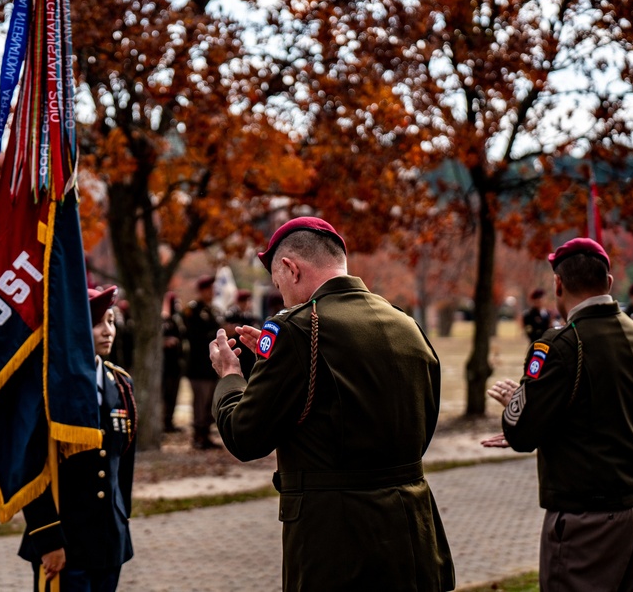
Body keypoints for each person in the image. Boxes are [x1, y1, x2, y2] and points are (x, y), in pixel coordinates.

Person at [208, 217, 455, 592]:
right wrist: (277, 362)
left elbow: (244, 436)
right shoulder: (405, 323)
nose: (283, 296)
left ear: (290, 268)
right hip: (413, 536)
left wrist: (230, 375)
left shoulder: (295, 329)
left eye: (279, 285)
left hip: (338, 545)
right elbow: (420, 422)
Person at [482, 237, 633, 592]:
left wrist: (518, 405)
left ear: (558, 284)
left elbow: (521, 434)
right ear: (608, 283)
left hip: (587, 514)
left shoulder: (560, 346)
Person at [18, 285, 138, 592]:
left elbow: (123, 464)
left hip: (108, 540)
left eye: (111, 321)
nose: (107, 330)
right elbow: (30, 468)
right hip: (63, 542)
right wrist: (46, 539)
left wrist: (121, 519)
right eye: (97, 323)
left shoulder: (121, 384)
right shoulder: (50, 390)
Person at [184, 274, 223, 450]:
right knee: (200, 402)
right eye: (208, 289)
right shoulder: (194, 310)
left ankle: (206, 435)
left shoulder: (212, 310)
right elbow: (195, 337)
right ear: (201, 290)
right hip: (198, 365)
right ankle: (198, 436)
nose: (212, 292)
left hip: (210, 366)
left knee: (209, 403)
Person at [161, 291, 186, 433]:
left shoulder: (177, 320)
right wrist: (165, 342)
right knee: (165, 395)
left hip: (176, 364)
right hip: (165, 365)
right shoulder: (162, 321)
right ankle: (163, 423)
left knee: (173, 394)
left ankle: (169, 422)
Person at [225, 289, 261, 381]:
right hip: (237, 353)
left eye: (247, 300)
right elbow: (228, 329)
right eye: (243, 300)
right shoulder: (231, 316)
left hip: (249, 355)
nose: (245, 303)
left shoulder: (251, 318)